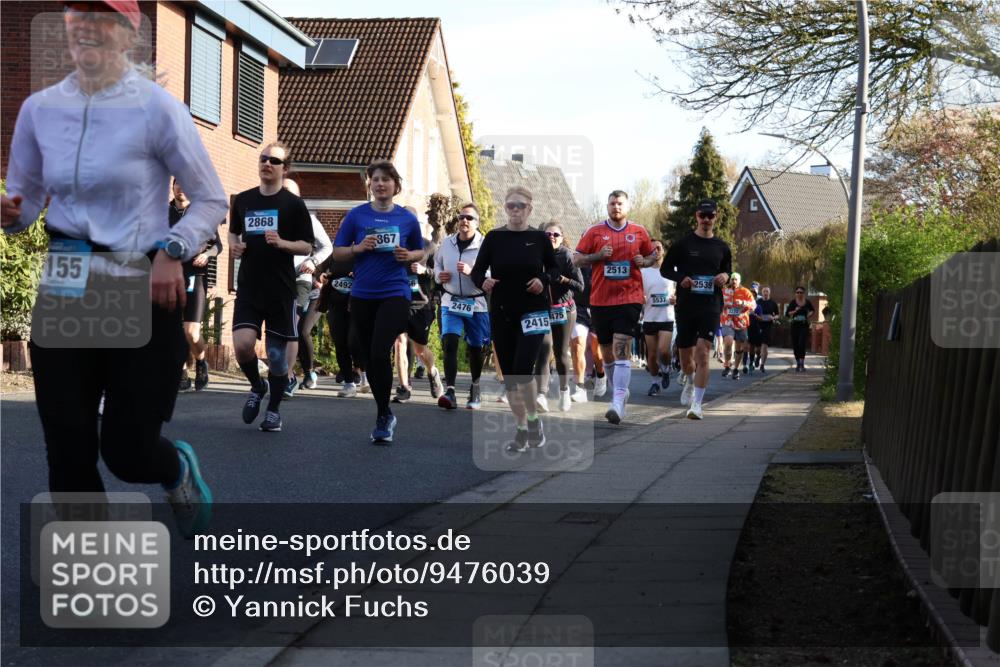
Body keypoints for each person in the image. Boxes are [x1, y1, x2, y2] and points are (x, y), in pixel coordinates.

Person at [1, 0, 226, 538]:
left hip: (142, 282)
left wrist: (172, 251)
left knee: (127, 452)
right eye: (79, 22)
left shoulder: (157, 110)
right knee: (67, 440)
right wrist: (10, 213)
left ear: (128, 38)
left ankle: (175, 468)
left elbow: (210, 201)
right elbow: (27, 204)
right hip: (68, 278)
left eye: (102, 23)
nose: (87, 33)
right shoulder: (39, 110)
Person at [332, 161, 424, 443]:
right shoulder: (356, 216)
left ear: (396, 186)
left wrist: (408, 257)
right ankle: (384, 409)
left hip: (395, 291)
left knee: (379, 349)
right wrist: (358, 249)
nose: (381, 184)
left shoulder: (406, 219)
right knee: (365, 351)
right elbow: (337, 253)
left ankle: (383, 415)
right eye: (376, 179)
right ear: (369, 184)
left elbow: (419, 251)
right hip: (362, 293)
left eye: (387, 179)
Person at [229, 142, 314, 432]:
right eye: (264, 158)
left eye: (274, 161)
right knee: (242, 346)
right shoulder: (243, 199)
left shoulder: (293, 204)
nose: (267, 164)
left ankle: (274, 411)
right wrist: (234, 247)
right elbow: (232, 232)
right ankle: (257, 385)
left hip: (281, 291)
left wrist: (282, 243)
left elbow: (307, 244)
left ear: (284, 168)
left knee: (277, 358)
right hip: (250, 288)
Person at [471, 187, 560, 452]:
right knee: (510, 378)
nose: (515, 210)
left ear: (530, 209)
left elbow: (554, 268)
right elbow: (476, 271)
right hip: (502, 311)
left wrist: (543, 280)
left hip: (533, 311)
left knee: (522, 370)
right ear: (505, 208)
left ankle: (533, 422)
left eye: (520, 205)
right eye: (511, 205)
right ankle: (523, 428)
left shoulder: (539, 238)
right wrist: (483, 281)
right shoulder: (494, 237)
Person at [573, 190, 659, 424]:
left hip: (629, 298)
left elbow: (654, 256)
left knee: (622, 348)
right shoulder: (595, 231)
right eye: (612, 203)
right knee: (607, 353)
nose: (616, 207)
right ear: (607, 206)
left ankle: (618, 401)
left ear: (627, 206)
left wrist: (646, 261)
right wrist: (598, 255)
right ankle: (618, 391)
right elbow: (576, 258)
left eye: (620, 203)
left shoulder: (638, 231)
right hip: (600, 300)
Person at [661, 199, 732, 420]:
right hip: (686, 305)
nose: (706, 220)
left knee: (703, 351)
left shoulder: (722, 247)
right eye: (703, 215)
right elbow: (665, 269)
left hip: (711, 305)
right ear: (696, 217)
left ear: (716, 217)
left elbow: (728, 271)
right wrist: (681, 278)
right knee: (686, 358)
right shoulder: (683, 244)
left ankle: (698, 405)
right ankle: (689, 380)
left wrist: (725, 276)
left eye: (710, 216)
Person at [276, 179, 332, 395]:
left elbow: (327, 246)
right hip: (276, 279)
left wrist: (313, 262)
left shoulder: (308, 219)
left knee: (294, 324)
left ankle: (290, 377)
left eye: (289, 191)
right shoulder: (270, 218)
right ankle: (292, 372)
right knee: (278, 327)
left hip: (300, 279)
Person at [435, 203, 490, 410]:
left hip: (475, 302)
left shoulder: (485, 245)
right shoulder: (447, 243)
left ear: (477, 223)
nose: (464, 221)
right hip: (451, 300)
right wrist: (438, 276)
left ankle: (475, 387)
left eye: (469, 218)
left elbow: (492, 275)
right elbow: (437, 263)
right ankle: (450, 391)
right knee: (449, 342)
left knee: (476, 348)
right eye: (461, 217)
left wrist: (472, 271)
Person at [170, 179, 222, 392]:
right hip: (170, 276)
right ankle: (181, 372)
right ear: (173, 187)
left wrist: (206, 254)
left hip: (195, 275)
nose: (181, 188)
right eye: (177, 184)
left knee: (191, 331)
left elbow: (217, 245)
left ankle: (201, 362)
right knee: (174, 329)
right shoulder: (162, 213)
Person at [392, 216, 442, 403]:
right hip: (399, 301)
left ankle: (432, 371)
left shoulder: (429, 246)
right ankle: (404, 387)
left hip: (421, 303)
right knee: (399, 342)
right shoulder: (394, 246)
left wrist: (424, 271)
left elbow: (440, 274)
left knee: (420, 349)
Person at [538, 221, 584, 412]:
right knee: (543, 348)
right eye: (548, 235)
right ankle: (541, 394)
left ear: (562, 237)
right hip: (544, 309)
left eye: (555, 235)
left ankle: (565, 390)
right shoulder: (537, 255)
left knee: (560, 351)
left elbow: (580, 286)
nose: (552, 238)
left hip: (565, 309)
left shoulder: (566, 256)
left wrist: (563, 279)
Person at [317, 256, 367, 397]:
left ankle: (363, 373)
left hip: (357, 304)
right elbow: (320, 270)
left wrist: (361, 274)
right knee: (340, 343)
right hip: (335, 305)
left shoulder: (364, 252)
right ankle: (349, 383)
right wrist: (321, 275)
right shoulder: (334, 253)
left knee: (354, 342)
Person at [641, 239, 675, 396]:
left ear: (663, 251)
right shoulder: (643, 272)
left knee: (663, 351)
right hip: (649, 318)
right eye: (652, 249)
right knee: (652, 356)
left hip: (666, 317)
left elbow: (680, 290)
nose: (655, 251)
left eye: (658, 248)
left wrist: (677, 298)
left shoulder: (672, 270)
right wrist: (641, 297)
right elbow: (637, 292)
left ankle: (667, 368)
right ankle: (655, 383)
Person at [720, 272, 755, 380]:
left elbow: (753, 305)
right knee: (728, 342)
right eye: (732, 279)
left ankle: (735, 369)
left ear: (739, 281)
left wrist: (743, 303)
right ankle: (727, 364)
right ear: (729, 280)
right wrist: (723, 305)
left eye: (736, 279)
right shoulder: (724, 291)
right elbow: (716, 303)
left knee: (740, 347)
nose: (734, 281)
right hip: (728, 320)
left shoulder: (745, 291)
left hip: (741, 322)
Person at [786, 286, 815, 371]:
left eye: (801, 292)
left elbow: (812, 310)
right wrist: (795, 311)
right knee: (795, 345)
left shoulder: (807, 302)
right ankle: (798, 363)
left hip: (803, 325)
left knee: (801, 343)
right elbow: (787, 314)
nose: (799, 294)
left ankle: (802, 363)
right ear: (795, 294)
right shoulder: (793, 303)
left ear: (804, 294)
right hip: (795, 325)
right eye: (797, 292)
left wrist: (809, 315)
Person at [755, 286, 780, 373]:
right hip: (759, 325)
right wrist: (758, 317)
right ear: (762, 293)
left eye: (767, 291)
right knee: (758, 348)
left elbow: (777, 315)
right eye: (764, 291)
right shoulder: (758, 302)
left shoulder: (773, 303)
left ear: (769, 293)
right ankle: (758, 356)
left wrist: (773, 317)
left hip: (768, 326)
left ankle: (762, 365)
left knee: (765, 346)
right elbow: (753, 313)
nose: (765, 293)